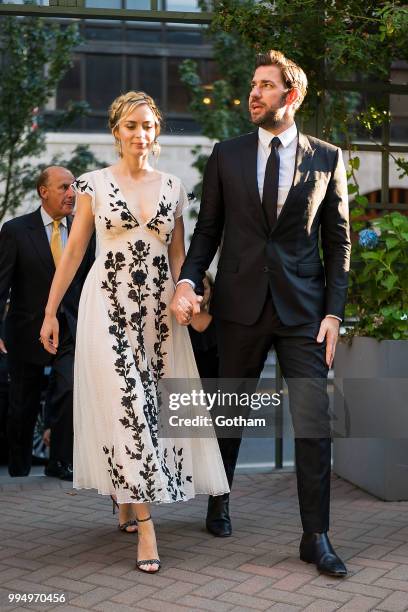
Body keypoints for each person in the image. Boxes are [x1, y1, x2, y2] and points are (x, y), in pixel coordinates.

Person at [171, 50, 351, 577]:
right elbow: (208, 229)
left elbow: (338, 242)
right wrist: (187, 280)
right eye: (252, 84)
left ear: (289, 97)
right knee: (230, 414)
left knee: (314, 423)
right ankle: (219, 498)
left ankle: (315, 536)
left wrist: (334, 313)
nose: (253, 93)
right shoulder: (226, 155)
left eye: (265, 85)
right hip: (239, 307)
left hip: (303, 313)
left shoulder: (327, 157)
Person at [40, 91, 229, 574]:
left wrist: (189, 298)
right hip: (107, 308)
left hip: (158, 316)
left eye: (148, 125)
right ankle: (146, 526)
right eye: (130, 126)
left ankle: (127, 499)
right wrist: (49, 311)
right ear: (115, 132)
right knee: (127, 408)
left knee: (155, 409)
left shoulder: (174, 186)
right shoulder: (93, 185)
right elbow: (75, 252)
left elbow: (179, 259)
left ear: (157, 131)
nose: (140, 134)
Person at [0, 166, 94, 478]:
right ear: (44, 191)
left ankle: (59, 462)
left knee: (68, 389)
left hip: (69, 328)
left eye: (74, 188)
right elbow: (2, 283)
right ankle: (19, 470)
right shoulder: (15, 230)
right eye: (64, 187)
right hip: (26, 331)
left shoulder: (83, 230)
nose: (72, 194)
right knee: (22, 404)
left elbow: (88, 280)